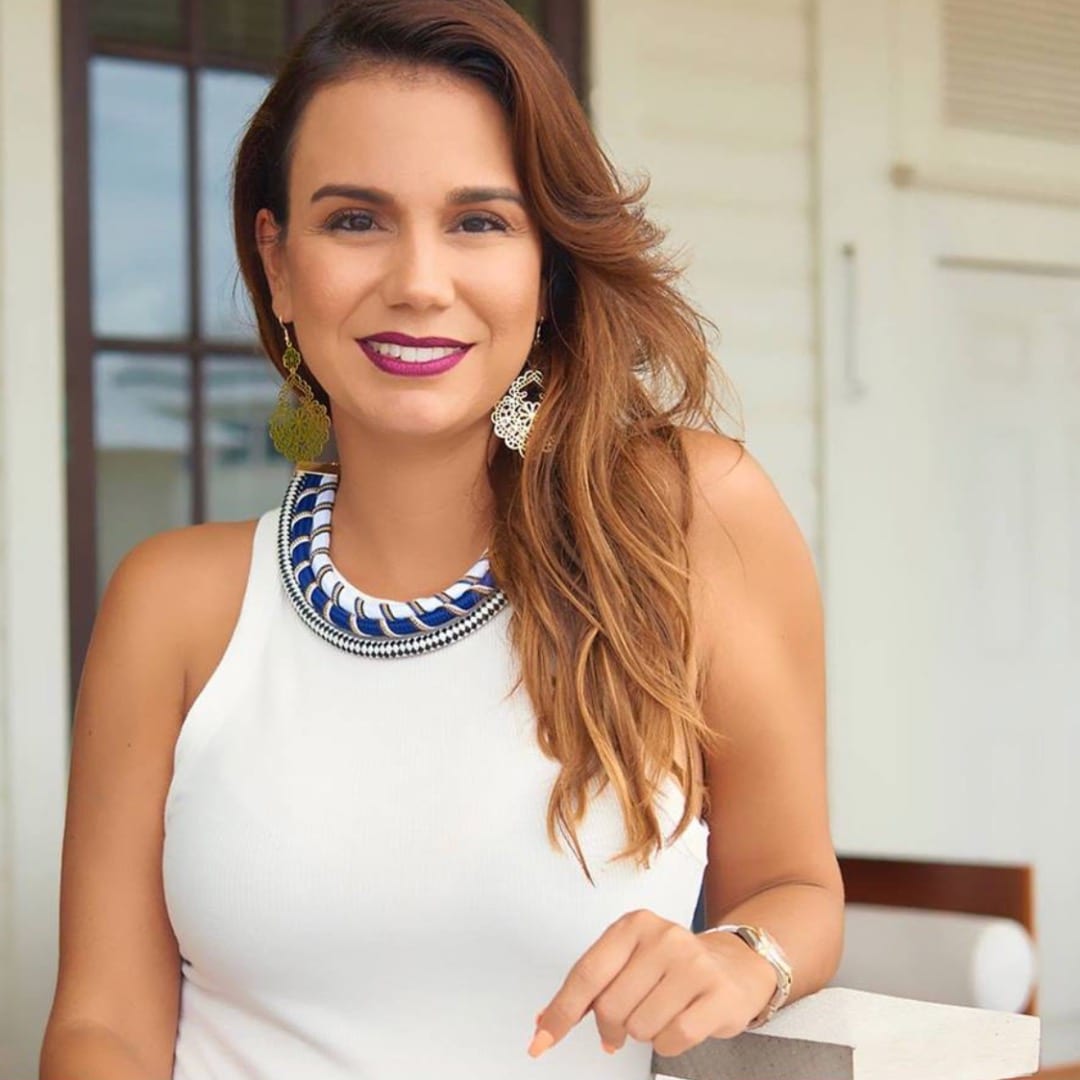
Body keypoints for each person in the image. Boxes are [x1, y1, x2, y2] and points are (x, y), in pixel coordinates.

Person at [39, 1, 844, 1077]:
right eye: (355, 221)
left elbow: (797, 888)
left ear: (547, 266)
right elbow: (102, 1023)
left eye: (479, 222)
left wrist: (742, 957)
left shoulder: (691, 519)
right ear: (278, 263)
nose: (418, 282)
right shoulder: (171, 603)